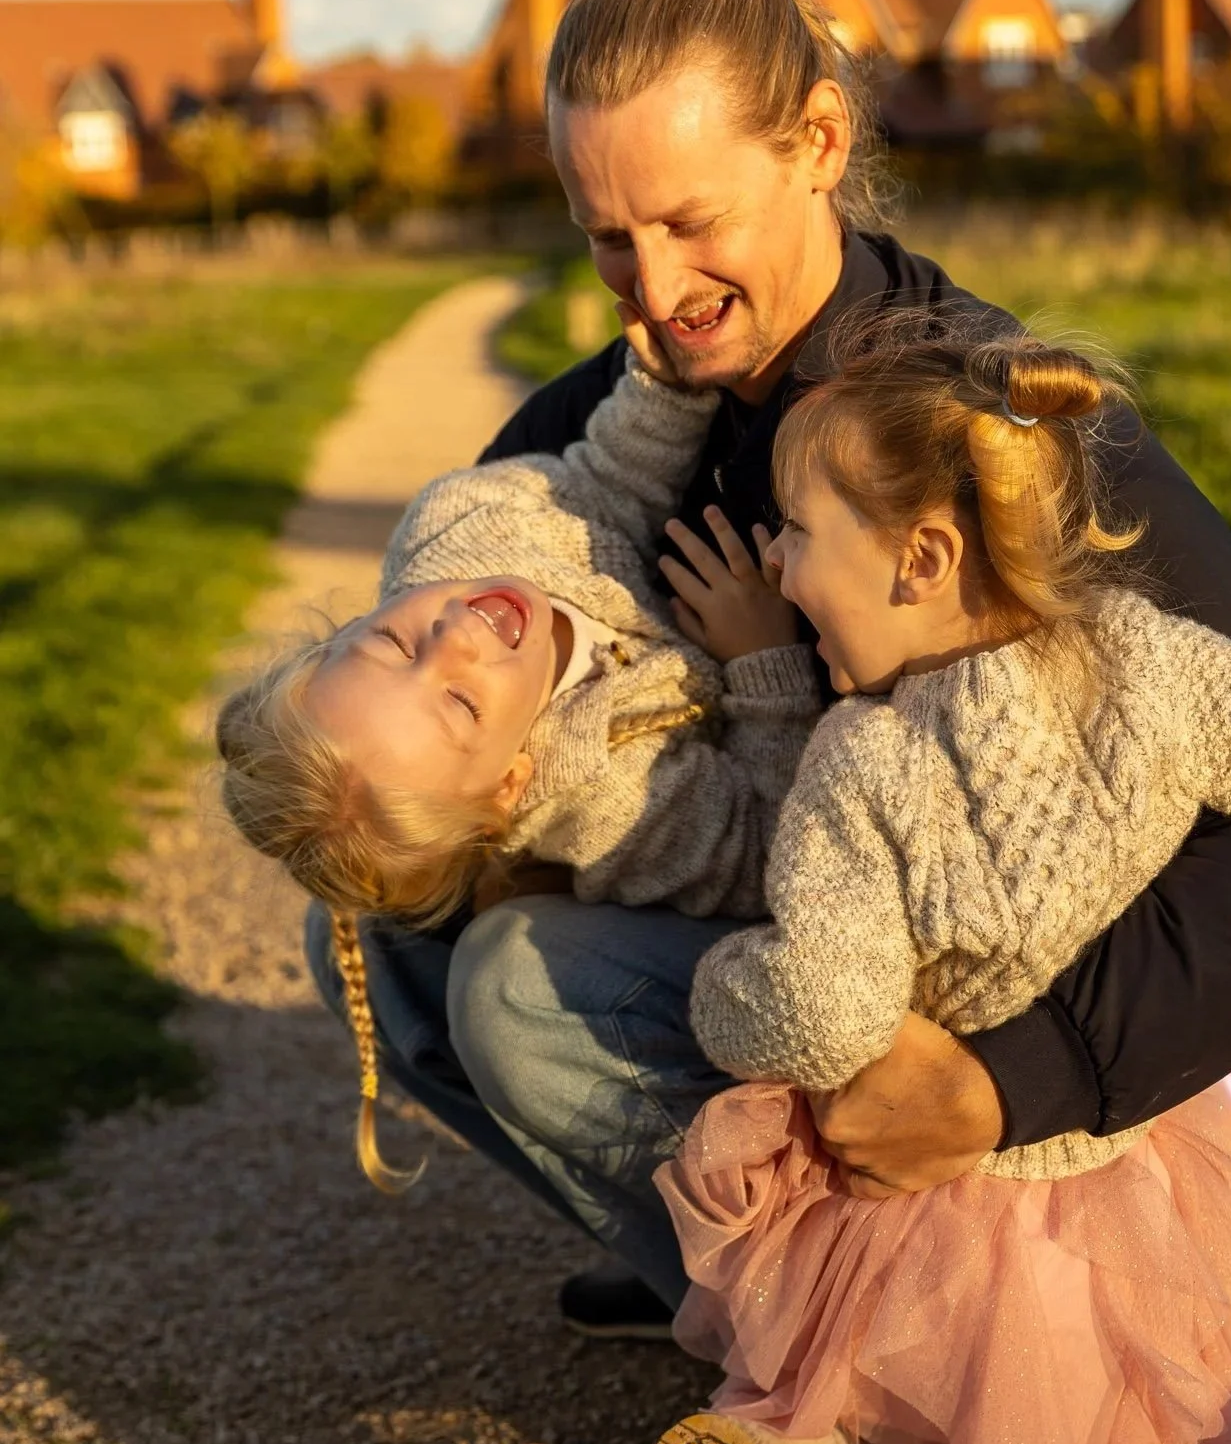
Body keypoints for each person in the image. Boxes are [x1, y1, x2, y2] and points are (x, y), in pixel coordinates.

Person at [305, 0, 1231, 1444]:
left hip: (986, 987)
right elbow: (451, 630)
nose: (653, 287)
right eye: (606, 236)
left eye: (692, 222)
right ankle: (740, 1280)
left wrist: (1014, 1077)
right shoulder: (597, 419)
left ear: (816, 141)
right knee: (387, 905)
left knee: (516, 992)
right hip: (801, 917)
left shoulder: (980, 428)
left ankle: (920, 1396)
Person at [555, 319, 1231, 1444]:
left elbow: (826, 1008)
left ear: (921, 559)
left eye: (796, 535)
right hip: (1127, 1163)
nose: (779, 567)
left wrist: (726, 995)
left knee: (834, 1407)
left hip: (928, 1204)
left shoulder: (861, 763)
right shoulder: (1142, 662)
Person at [219, 333, 817, 1202]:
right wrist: (764, 663)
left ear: (346, 625)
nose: (455, 637)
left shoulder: (458, 528)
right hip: (789, 953)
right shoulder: (611, 796)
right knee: (396, 954)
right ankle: (715, 1244)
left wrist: (668, 383)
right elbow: (770, 843)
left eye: (391, 640)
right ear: (510, 782)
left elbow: (605, 482)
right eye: (459, 705)